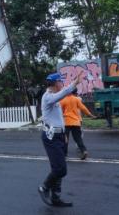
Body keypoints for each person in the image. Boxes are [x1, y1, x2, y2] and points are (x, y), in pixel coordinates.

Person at [38, 72, 83, 207]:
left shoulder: (54, 99)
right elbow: (63, 93)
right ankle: (44, 187)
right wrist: (74, 83)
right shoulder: (48, 97)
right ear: (56, 83)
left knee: (57, 168)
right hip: (50, 137)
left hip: (59, 135)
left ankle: (55, 198)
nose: (62, 84)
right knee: (60, 169)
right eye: (61, 82)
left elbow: (58, 119)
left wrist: (64, 133)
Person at [60, 89, 96, 160]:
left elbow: (59, 111)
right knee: (78, 138)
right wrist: (90, 115)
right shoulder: (76, 99)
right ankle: (84, 151)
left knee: (65, 138)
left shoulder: (63, 100)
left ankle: (64, 154)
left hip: (66, 122)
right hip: (76, 122)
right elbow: (83, 108)